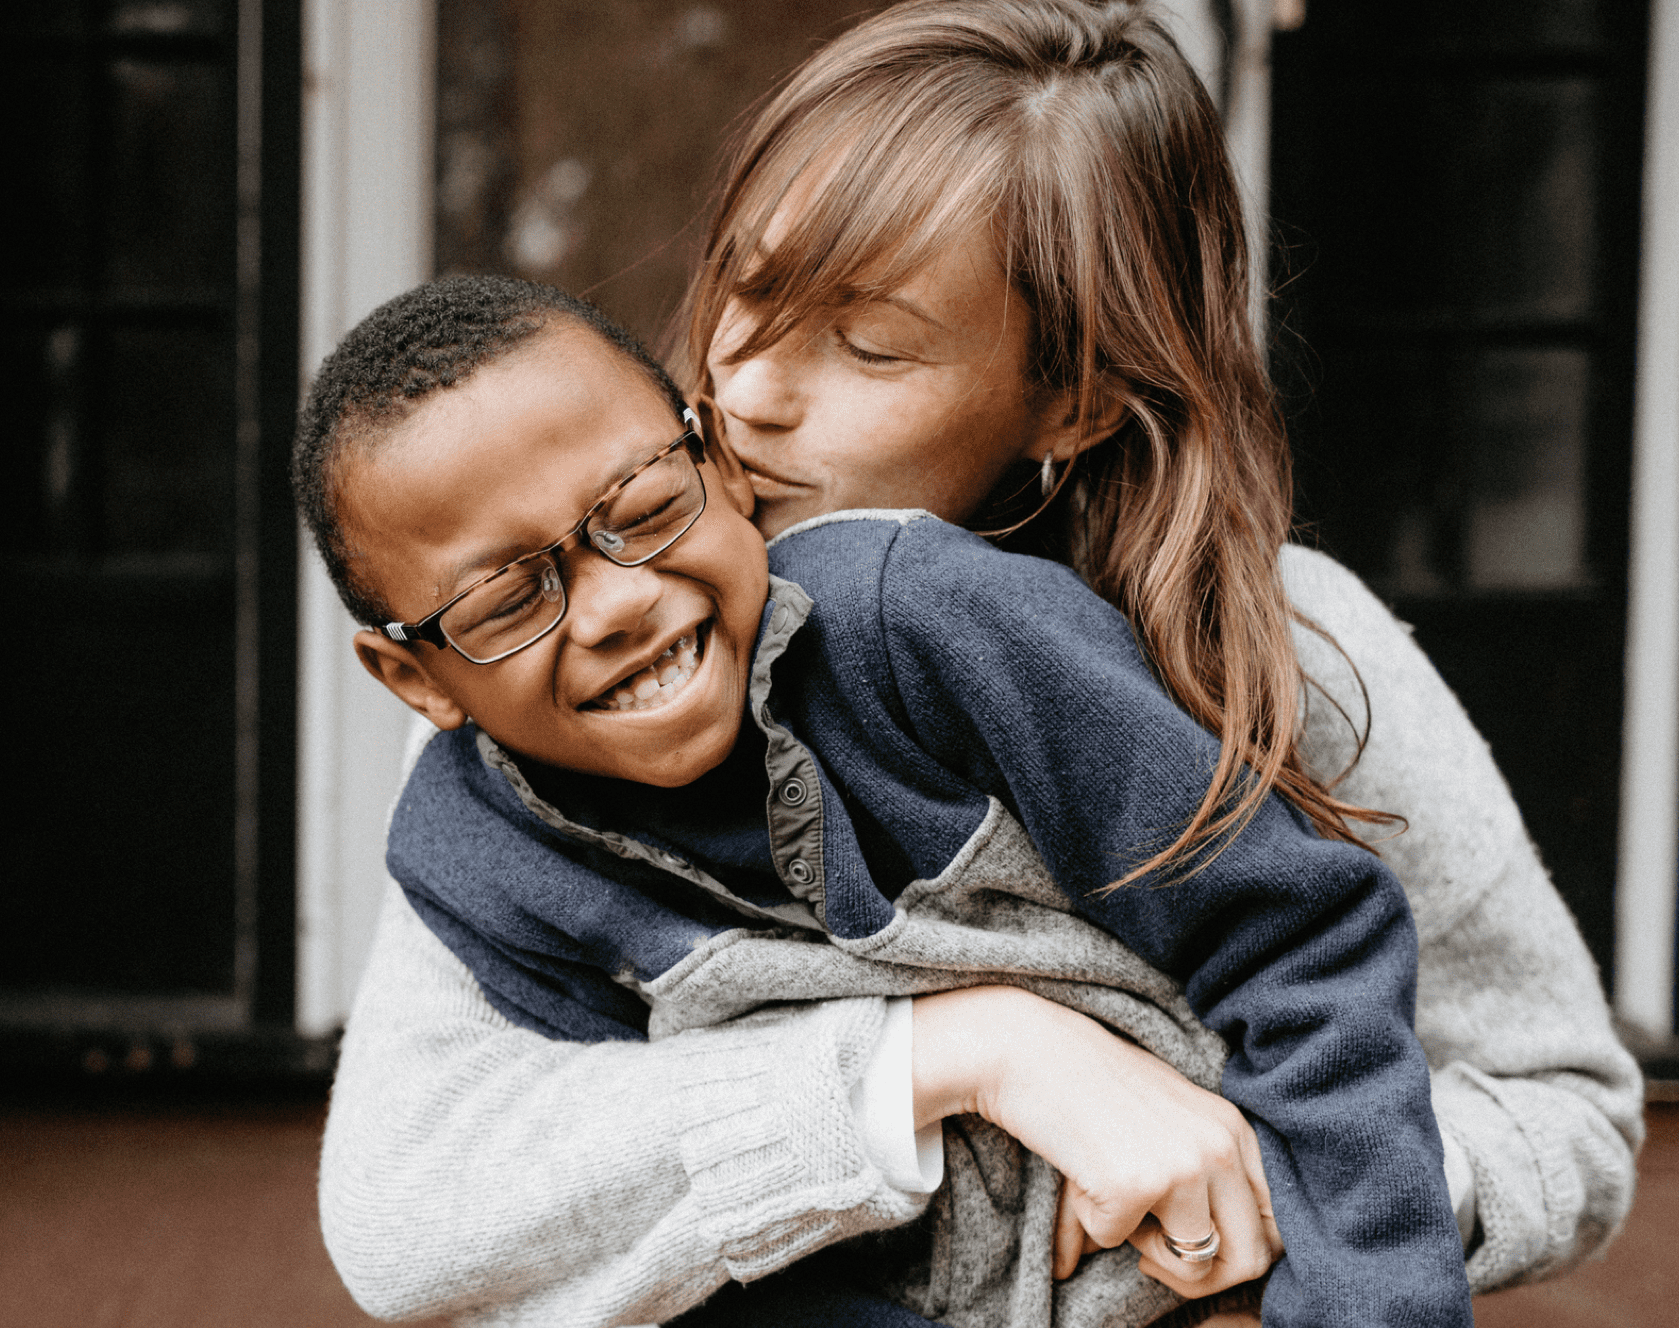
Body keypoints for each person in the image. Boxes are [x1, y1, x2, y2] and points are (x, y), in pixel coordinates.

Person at [315, 3, 1643, 1325]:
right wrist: (955, 1059)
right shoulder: (553, 705)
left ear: (1069, 399)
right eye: (745, 291)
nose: (751, 389)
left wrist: (1261, 1226)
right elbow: (419, 1205)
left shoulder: (1293, 650)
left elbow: (1561, 1114)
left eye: (868, 344)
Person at [293, 271, 1473, 1328]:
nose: (615, 604)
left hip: (1200, 1269)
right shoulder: (477, 858)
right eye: (506, 599)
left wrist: (1352, 1303)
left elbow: (1296, 940)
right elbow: (656, 1240)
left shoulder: (926, 625)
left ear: (715, 457)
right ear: (414, 677)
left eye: (644, 506)